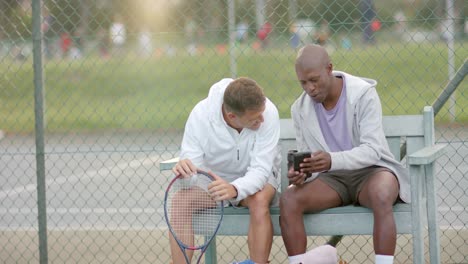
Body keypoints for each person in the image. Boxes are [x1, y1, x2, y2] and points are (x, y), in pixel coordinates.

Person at [279, 44, 409, 264]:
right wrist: (302, 174)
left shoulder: (363, 94)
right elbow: (308, 157)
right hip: (332, 180)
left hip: (371, 172)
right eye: (303, 82)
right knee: (290, 199)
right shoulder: (299, 108)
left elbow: (373, 150)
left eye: (314, 80)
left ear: (329, 68)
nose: (309, 88)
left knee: (381, 192)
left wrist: (331, 160)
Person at [171, 77, 281, 264]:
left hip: (256, 182)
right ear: (232, 116)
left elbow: (261, 171)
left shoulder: (267, 111)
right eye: (255, 118)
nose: (262, 119)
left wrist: (235, 189)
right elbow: (192, 174)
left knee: (259, 199)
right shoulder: (200, 115)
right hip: (213, 185)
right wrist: (185, 174)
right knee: (180, 201)